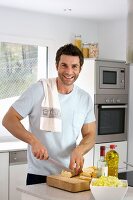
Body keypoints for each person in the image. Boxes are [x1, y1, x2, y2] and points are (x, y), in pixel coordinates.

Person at [2, 43, 96, 185]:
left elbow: (90, 135)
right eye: (64, 65)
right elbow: (9, 119)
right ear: (56, 65)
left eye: (74, 66)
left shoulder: (85, 98)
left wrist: (80, 150)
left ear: (80, 69)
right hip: (39, 174)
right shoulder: (38, 90)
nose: (69, 71)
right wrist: (33, 141)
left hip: (69, 174)